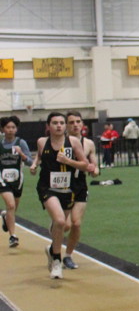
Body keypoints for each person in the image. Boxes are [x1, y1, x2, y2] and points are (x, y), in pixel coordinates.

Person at [29, 112, 94, 279]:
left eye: (61, 123)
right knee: (59, 220)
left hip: (67, 188)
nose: (59, 126)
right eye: (55, 123)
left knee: (63, 225)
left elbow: (85, 165)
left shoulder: (73, 142)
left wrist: (68, 161)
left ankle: (52, 250)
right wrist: (35, 165)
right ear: (48, 126)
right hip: (47, 187)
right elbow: (40, 156)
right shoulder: (42, 142)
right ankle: (57, 262)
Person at [64, 111, 99, 270]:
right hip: (62, 186)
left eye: (78, 121)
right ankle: (54, 246)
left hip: (80, 186)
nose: (75, 125)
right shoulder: (60, 142)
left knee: (76, 224)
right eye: (71, 122)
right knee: (64, 225)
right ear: (66, 125)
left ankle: (68, 255)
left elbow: (94, 166)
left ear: (83, 124)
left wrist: (94, 170)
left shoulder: (89, 144)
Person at [0, 116, 34, 248]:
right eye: (8, 127)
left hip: (17, 180)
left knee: (13, 208)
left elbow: (30, 162)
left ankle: (6, 218)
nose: (10, 130)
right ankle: (12, 236)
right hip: (2, 179)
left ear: (16, 129)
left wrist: (22, 155)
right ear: (3, 129)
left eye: (13, 127)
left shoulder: (21, 143)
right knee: (10, 205)